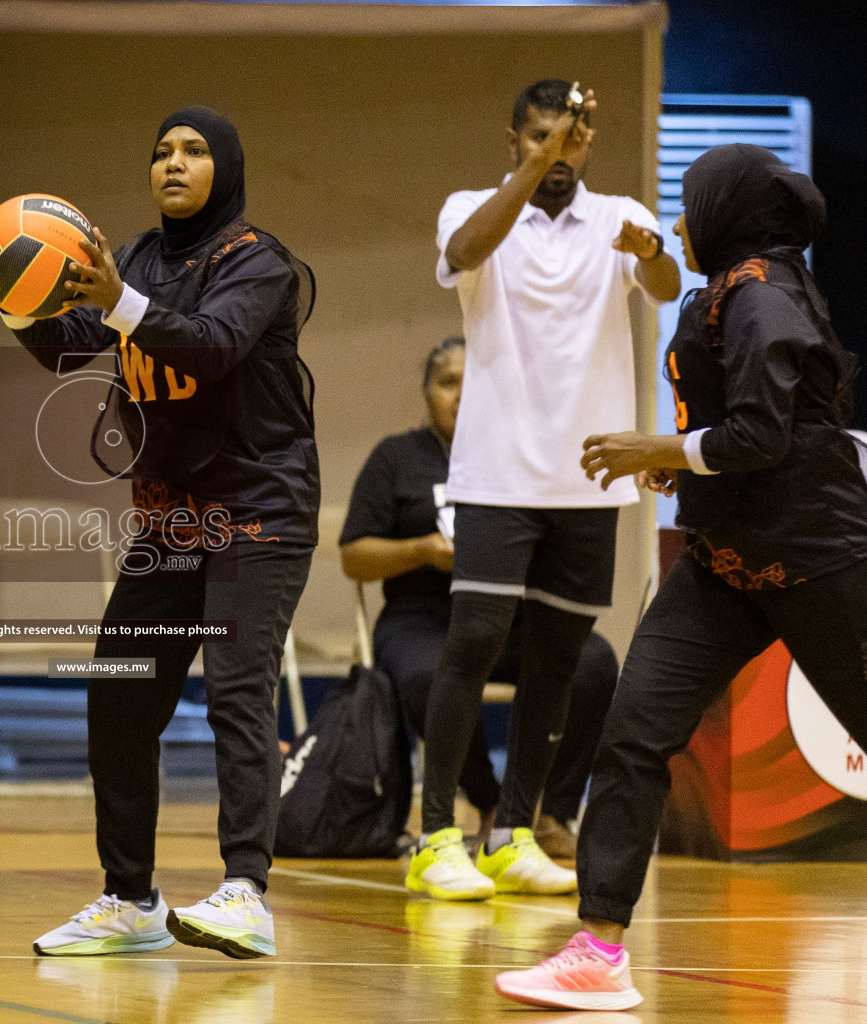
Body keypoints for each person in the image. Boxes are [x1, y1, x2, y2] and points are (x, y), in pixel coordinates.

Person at [496, 144, 867, 1010]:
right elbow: (743, 440)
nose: (680, 222)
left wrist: (655, 448)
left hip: (817, 558)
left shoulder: (763, 294)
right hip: (724, 561)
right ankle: (598, 950)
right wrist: (685, 468)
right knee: (634, 734)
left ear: (732, 212)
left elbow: (763, 436)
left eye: (691, 205)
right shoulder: (728, 290)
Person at [0, 107, 317, 959]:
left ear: (225, 168)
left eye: (194, 152)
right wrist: (10, 293)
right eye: (160, 150)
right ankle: (131, 901)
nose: (173, 163)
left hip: (257, 509)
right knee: (119, 700)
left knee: (239, 691)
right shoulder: (130, 259)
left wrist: (117, 299)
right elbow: (65, 349)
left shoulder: (257, 261)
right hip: (170, 519)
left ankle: (246, 891)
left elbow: (209, 345)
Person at [407, 79, 681, 901]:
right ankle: (435, 837)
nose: (558, 152)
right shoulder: (473, 207)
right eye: (539, 137)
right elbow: (462, 256)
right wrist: (532, 169)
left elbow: (665, 288)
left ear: (590, 143)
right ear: (514, 139)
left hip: (590, 476)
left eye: (569, 140)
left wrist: (651, 254)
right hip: (497, 471)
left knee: (559, 663)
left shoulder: (618, 215)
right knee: (475, 643)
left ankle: (515, 833)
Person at [340, 336, 618, 858]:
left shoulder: (522, 458)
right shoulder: (396, 457)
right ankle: (491, 805)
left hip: (510, 615)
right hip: (423, 618)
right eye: (449, 382)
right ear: (427, 393)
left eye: (477, 384)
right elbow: (354, 556)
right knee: (428, 676)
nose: (462, 396)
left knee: (594, 661)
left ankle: (550, 812)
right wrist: (423, 550)